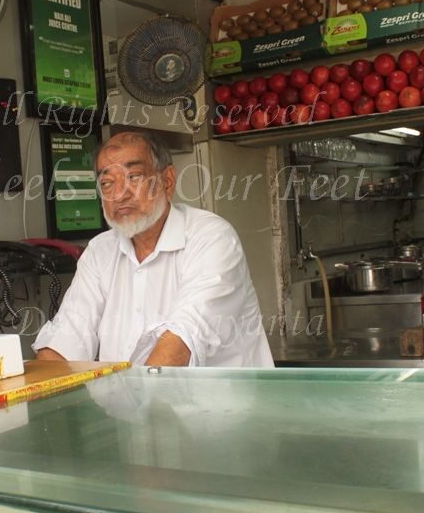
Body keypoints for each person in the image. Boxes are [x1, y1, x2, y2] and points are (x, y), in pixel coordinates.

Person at [33, 129, 274, 367]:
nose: (119, 194)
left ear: (167, 181)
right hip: (130, 404)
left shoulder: (211, 237)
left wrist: (136, 403)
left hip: (218, 406)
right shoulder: (100, 251)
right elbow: (69, 334)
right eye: (107, 182)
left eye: (134, 177)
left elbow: (184, 338)